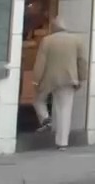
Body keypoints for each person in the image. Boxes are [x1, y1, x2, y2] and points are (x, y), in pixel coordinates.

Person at [29, 17, 86, 151]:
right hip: (69, 79)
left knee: (38, 100)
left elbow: (40, 62)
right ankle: (62, 143)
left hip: (50, 80)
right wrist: (81, 78)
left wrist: (36, 80)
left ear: (53, 27)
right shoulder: (77, 40)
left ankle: (45, 119)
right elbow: (82, 61)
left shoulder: (47, 41)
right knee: (65, 109)